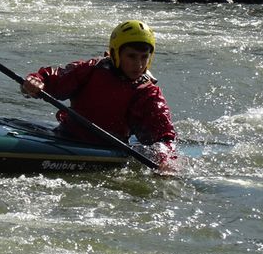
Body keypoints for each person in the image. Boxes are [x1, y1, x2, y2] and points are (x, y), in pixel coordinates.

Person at [20, 19, 178, 172]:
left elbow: (165, 137)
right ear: (116, 53)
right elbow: (50, 80)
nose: (139, 64)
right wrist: (34, 82)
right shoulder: (90, 70)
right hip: (67, 136)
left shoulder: (148, 93)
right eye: (131, 56)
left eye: (144, 57)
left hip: (108, 148)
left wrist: (163, 157)